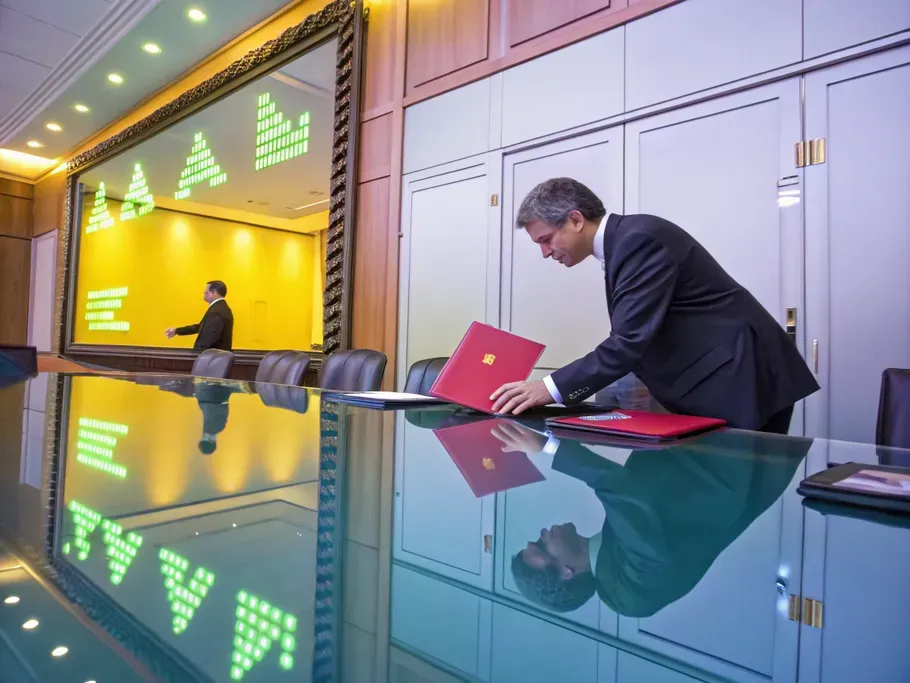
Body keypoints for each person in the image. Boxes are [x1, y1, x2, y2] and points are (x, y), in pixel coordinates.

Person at [491, 178, 819, 433]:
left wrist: (549, 388)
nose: (545, 253)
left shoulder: (638, 240)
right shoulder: (625, 241)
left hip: (742, 375)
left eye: (546, 239)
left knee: (740, 485)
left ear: (575, 219)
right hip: (722, 374)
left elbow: (629, 340)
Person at [492, 421, 810, 616]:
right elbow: (623, 491)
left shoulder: (612, 565)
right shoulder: (632, 592)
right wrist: (547, 447)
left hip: (710, 450)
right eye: (542, 546)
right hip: (727, 463)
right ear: (566, 572)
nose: (543, 533)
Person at [165, 280, 234, 352]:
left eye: (206, 292)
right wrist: (177, 331)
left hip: (211, 356)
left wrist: (197, 353)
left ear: (213, 292)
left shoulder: (216, 311)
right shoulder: (222, 308)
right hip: (218, 355)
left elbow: (210, 337)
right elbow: (200, 327)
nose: (204, 294)